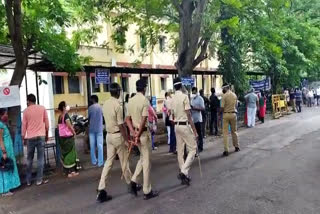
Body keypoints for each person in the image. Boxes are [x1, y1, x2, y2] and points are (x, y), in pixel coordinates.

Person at [96, 83, 137, 203]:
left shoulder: (105, 104)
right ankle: (130, 184)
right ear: (118, 92)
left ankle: (101, 188)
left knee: (108, 162)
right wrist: (127, 139)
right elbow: (121, 125)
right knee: (124, 161)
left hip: (108, 136)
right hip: (117, 135)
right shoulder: (117, 106)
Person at [126, 79, 158, 200]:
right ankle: (147, 190)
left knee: (142, 158)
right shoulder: (145, 100)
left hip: (136, 132)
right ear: (144, 88)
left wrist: (134, 133)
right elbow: (144, 119)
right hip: (143, 134)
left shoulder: (131, 100)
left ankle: (133, 181)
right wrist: (138, 134)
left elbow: (127, 119)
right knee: (147, 163)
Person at [170, 78, 198, 185]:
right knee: (193, 149)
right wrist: (195, 131)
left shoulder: (172, 98)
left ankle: (184, 175)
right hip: (184, 125)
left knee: (180, 151)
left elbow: (172, 115)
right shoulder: (184, 97)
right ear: (181, 86)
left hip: (176, 126)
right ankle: (183, 171)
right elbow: (189, 115)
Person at [22, 94, 49, 186]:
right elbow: (47, 122)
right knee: (40, 159)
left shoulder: (25, 111)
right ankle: (39, 180)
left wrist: (23, 138)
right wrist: (47, 134)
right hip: (41, 136)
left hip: (30, 138)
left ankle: (29, 181)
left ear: (28, 101)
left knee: (29, 159)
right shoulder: (42, 108)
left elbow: (24, 125)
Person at [0, 108, 20, 196]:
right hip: (4, 150)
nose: (7, 116)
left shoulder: (3, 124)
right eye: (5, 114)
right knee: (5, 167)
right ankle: (5, 190)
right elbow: (0, 140)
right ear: (1, 115)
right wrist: (4, 152)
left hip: (8, 149)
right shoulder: (0, 125)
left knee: (8, 167)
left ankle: (7, 188)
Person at [57, 101, 80, 178]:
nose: (67, 106)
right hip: (68, 137)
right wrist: (74, 132)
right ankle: (72, 172)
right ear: (63, 107)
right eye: (66, 105)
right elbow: (69, 125)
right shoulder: (66, 115)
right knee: (70, 153)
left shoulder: (60, 116)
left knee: (65, 153)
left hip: (62, 138)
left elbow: (59, 127)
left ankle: (66, 171)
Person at [221, 83, 240, 157]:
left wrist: (220, 114)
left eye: (223, 88)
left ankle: (226, 150)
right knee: (234, 131)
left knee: (225, 133)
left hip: (226, 115)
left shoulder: (224, 96)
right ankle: (236, 146)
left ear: (225, 88)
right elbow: (236, 106)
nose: (222, 90)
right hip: (233, 114)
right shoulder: (234, 95)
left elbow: (222, 108)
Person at [88, 95, 104, 167]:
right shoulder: (101, 107)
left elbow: (89, 118)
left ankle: (94, 161)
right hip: (99, 129)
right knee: (100, 146)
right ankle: (100, 162)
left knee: (92, 146)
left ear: (93, 100)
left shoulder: (90, 108)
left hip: (92, 129)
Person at [191, 87, 205, 152]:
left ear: (196, 92)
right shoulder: (192, 99)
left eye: (194, 92)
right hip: (193, 119)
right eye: (192, 92)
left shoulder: (200, 99)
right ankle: (195, 146)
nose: (193, 93)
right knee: (194, 134)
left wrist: (194, 108)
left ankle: (200, 147)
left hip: (198, 119)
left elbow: (203, 108)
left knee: (199, 133)